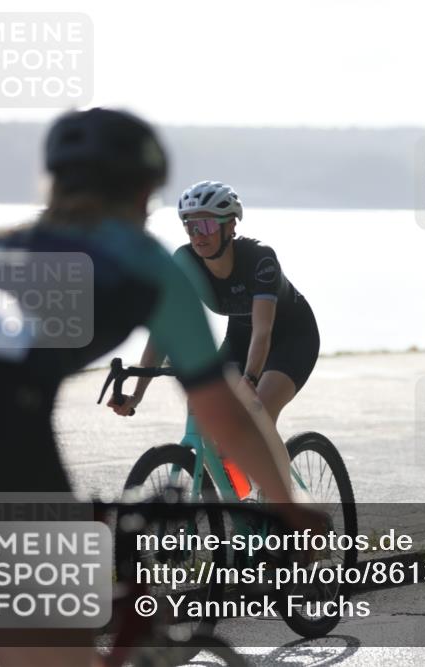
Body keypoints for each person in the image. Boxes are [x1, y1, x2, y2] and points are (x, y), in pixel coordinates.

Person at [0, 108, 318, 666]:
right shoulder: (144, 262)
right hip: (1, 434)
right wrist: (291, 507)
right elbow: (224, 411)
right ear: (146, 191)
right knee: (54, 652)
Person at [111, 181, 320, 491]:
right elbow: (164, 332)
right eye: (190, 226)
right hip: (240, 337)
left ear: (230, 225)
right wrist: (137, 394)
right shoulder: (185, 262)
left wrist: (248, 380)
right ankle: (240, 505)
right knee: (204, 417)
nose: (198, 234)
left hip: (290, 336)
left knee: (258, 413)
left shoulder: (260, 258)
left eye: (206, 224)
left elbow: (263, 331)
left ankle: (284, 503)